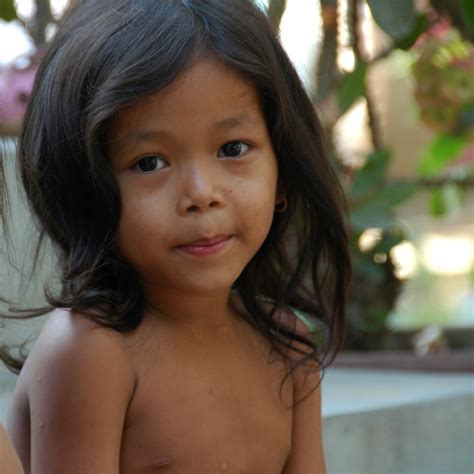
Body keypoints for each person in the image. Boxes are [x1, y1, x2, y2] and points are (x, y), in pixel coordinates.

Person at [6, 0, 351, 472]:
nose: (201, 194)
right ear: (83, 187)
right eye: (149, 162)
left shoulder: (286, 346)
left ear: (283, 171)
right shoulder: (91, 355)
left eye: (233, 148)